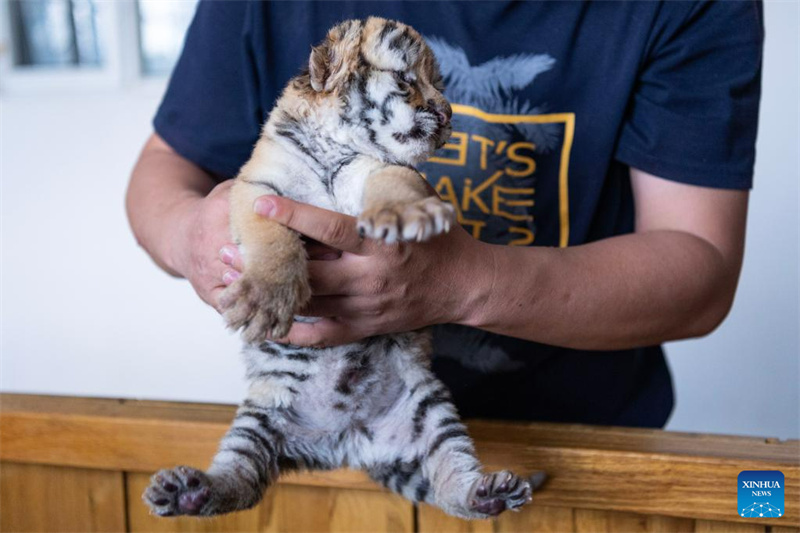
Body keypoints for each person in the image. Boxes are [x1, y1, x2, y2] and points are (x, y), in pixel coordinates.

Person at [126, 1, 763, 428]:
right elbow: (164, 169)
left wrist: (458, 284)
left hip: (580, 449)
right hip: (328, 442)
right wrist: (195, 237)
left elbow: (698, 269)